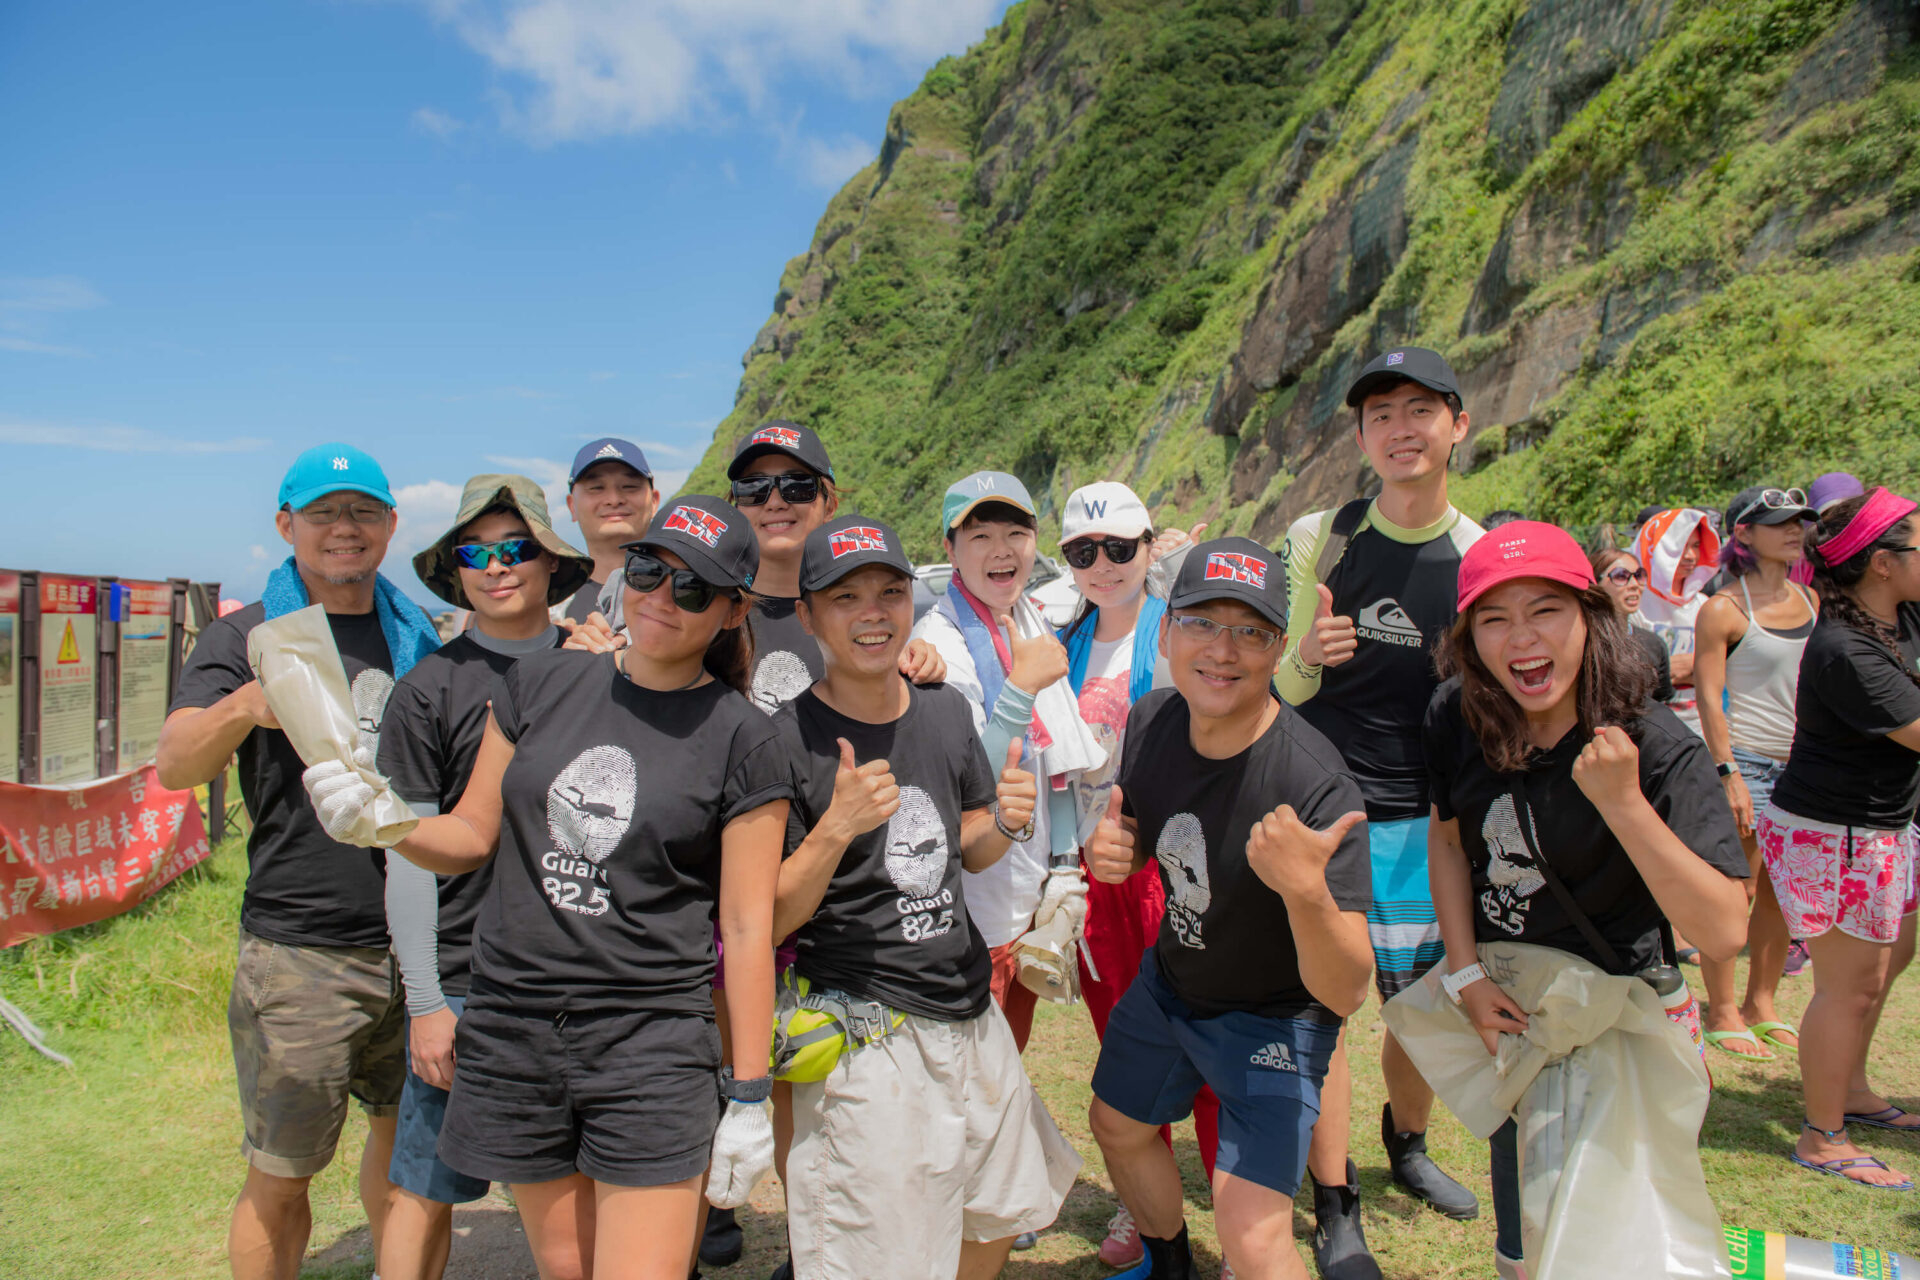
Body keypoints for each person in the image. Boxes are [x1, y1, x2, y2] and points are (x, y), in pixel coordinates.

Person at [305, 495, 792, 1277]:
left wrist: (747, 1091)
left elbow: (743, 928)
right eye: (648, 570)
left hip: (649, 1042)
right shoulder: (541, 685)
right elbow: (469, 837)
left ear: (734, 610)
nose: (662, 597)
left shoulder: (743, 738)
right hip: (516, 1030)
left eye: (693, 588)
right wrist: (383, 823)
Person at [1421, 520, 1750, 1278]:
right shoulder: (1456, 712)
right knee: (1525, 1233)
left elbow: (1724, 930)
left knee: (1617, 1239)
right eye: (1493, 619)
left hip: (1621, 1011)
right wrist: (1464, 975)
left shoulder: (1651, 742)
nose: (1520, 640)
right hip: (1515, 1011)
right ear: (1468, 640)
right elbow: (1447, 838)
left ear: (1591, 616)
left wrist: (1625, 805)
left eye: (1545, 610)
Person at [156, 443, 441, 1280]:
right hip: (301, 950)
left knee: (407, 1162)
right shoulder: (247, 636)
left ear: (390, 525)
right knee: (282, 1174)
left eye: (361, 512)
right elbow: (176, 765)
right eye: (322, 513)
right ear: (286, 526)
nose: (343, 530)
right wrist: (248, 704)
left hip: (418, 944)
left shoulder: (423, 632)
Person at [770, 514, 1081, 1278]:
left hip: (968, 1012)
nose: (872, 613)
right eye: (845, 597)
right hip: (865, 1034)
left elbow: (967, 845)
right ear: (807, 614)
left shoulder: (942, 711)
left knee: (1001, 1205)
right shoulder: (781, 738)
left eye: (889, 592)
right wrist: (836, 827)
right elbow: (768, 915)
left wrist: (1006, 823)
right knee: (879, 1254)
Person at [1084, 537, 1374, 1280]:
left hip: (1276, 1015)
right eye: (1202, 623)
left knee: (1253, 1240)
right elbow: (1148, 835)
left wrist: (1306, 891)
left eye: (1249, 630)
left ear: (1279, 650)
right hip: (1173, 981)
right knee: (1117, 1125)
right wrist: (1114, 850)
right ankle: (1170, 1264)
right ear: (1166, 631)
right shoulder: (1150, 720)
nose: (1223, 649)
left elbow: (1345, 991)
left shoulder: (1314, 787)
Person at [1278, 346, 1483, 1276]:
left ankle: (1407, 1146)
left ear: (1457, 424)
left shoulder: (1479, 557)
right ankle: (1335, 1200)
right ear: (1361, 436)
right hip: (1322, 810)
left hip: (1425, 822)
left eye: (1420, 410)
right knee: (1322, 1008)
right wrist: (1309, 654)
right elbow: (1272, 681)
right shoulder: (1321, 537)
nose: (1400, 429)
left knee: (1422, 1014)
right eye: (1380, 416)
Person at [374, 475, 592, 1280]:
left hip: (579, 968)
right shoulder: (428, 689)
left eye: (516, 549)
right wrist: (428, 1002)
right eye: (476, 552)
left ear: (550, 562)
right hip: (470, 974)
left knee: (574, 1186)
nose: (497, 567)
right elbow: (406, 856)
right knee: (426, 1185)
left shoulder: (600, 666)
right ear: (455, 570)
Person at [1054, 481, 1220, 1271]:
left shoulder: (1180, 634)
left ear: (1150, 547)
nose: (1104, 565)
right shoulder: (1061, 643)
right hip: (1100, 877)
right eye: (1085, 552)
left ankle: (1242, 1213)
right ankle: (1142, 1196)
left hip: (1179, 864)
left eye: (1120, 548)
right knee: (1123, 1040)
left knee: (1219, 1043)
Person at [910, 471, 1106, 1054]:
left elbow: (1060, 755)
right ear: (949, 549)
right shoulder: (939, 644)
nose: (1002, 550)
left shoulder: (1029, 620)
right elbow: (969, 783)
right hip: (973, 912)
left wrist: (1066, 865)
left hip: (1026, 900)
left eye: (1016, 533)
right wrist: (1020, 687)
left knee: (1006, 1066)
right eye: (980, 535)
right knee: (969, 1084)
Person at [1761, 489, 1920, 1189]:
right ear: (1882, 565)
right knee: (1848, 986)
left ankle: (1851, 1089)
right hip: (1834, 836)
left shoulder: (1900, 616)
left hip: (1884, 826)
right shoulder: (1847, 651)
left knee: (1885, 966)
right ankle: (1822, 1135)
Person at [1692, 486, 1820, 1061]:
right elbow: (1709, 697)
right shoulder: (1724, 608)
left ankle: (1761, 1003)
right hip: (1746, 759)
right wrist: (1728, 774)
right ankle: (1720, 1008)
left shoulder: (1815, 601)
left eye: (1800, 522)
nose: (1795, 531)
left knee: (1781, 894)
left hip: (1807, 764)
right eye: (1779, 522)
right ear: (1743, 533)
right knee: (1733, 889)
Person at [1633, 509, 1722, 735]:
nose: (1691, 556)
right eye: (1682, 546)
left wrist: (1691, 665)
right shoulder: (1636, 604)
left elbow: (1724, 670)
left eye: (1696, 546)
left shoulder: (1706, 605)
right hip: (1652, 729)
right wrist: (1693, 666)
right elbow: (1634, 675)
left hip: (1701, 729)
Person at [560, 437, 658, 626]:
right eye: (596, 488)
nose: (614, 499)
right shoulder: (549, 605)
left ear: (654, 502)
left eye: (629, 487)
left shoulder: (685, 589)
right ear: (572, 506)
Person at [1590, 548, 1677, 703]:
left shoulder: (1653, 644)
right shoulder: (1581, 644)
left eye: (1638, 576)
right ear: (1595, 584)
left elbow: (1659, 705)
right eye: (1621, 576)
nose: (1634, 585)